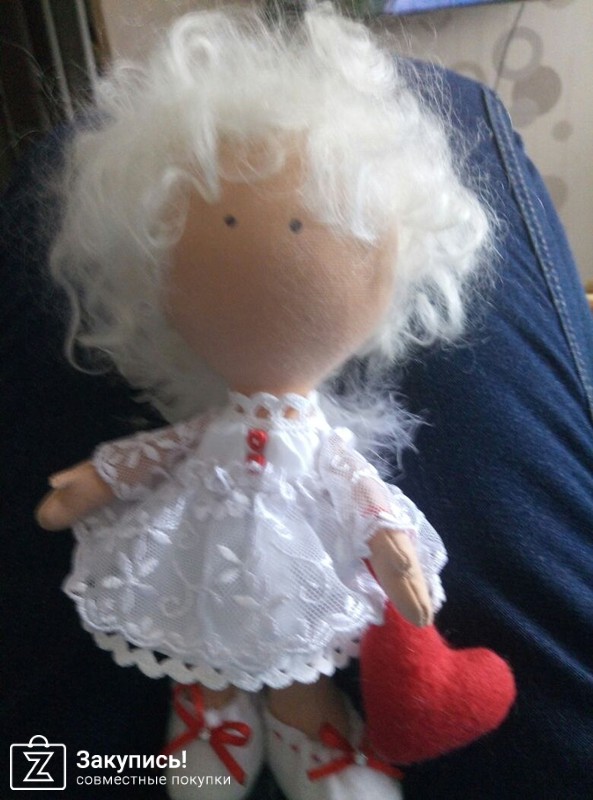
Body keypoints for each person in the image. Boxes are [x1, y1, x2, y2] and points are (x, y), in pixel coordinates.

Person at [2, 43, 592, 800]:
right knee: (197, 627)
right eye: (227, 217)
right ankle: (211, 710)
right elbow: (164, 449)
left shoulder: (322, 441)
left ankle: (304, 720)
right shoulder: (214, 421)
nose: (281, 238)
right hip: (201, 545)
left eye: (300, 226)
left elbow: (357, 488)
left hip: (297, 563)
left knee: (299, 646)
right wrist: (94, 481)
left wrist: (392, 551)